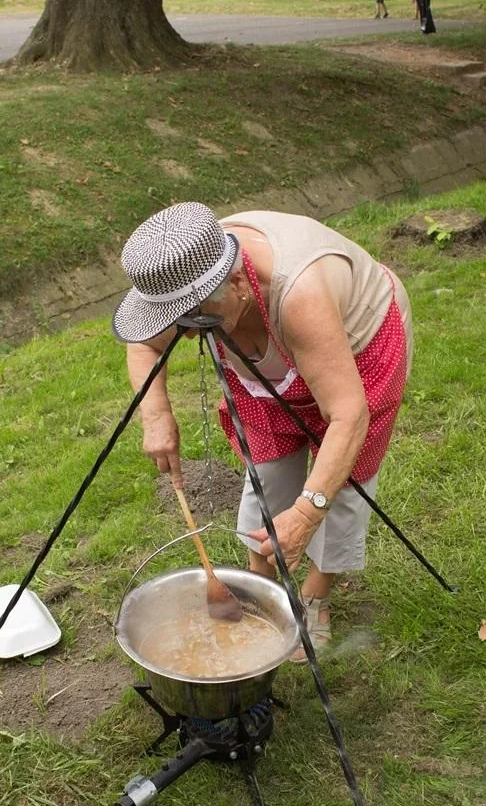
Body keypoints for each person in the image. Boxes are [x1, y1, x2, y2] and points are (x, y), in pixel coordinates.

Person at [113, 204, 413, 663]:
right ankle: (262, 589)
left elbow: (347, 416)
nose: (190, 336)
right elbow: (143, 343)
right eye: (180, 323)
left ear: (236, 283)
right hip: (261, 365)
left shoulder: (300, 292)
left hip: (358, 345)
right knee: (266, 468)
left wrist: (308, 511)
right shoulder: (183, 275)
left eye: (199, 321)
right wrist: (155, 416)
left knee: (342, 484)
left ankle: (313, 597)